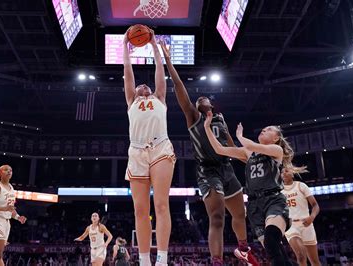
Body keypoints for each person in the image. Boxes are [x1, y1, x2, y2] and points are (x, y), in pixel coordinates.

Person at [159, 41, 258, 266]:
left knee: (240, 215)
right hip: (208, 171)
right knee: (217, 217)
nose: (200, 98)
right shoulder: (194, 117)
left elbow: (233, 147)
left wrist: (249, 161)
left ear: (211, 104)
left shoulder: (221, 119)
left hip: (227, 168)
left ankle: (243, 249)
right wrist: (168, 59)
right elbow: (179, 86)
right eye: (197, 99)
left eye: (204, 98)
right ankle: (216, 261)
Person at [203, 115, 299, 265]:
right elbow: (219, 149)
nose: (264, 130)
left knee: (271, 238)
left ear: (275, 138)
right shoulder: (248, 153)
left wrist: (239, 136)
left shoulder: (276, 150)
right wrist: (207, 127)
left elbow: (254, 146)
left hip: (273, 200)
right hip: (254, 205)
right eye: (264, 128)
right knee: (272, 248)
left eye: (268, 130)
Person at [123, 26, 176, 266]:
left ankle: (162, 259)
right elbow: (128, 72)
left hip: (160, 148)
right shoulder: (131, 100)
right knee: (140, 210)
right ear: (134, 92)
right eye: (139, 86)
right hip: (136, 152)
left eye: (147, 86)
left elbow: (159, 69)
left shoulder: (159, 98)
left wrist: (154, 45)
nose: (143, 86)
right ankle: (145, 260)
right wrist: (125, 46)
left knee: (161, 204)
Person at [281, 167, 321, 266]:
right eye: (281, 172)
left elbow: (315, 205)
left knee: (315, 261)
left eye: (286, 171)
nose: (284, 173)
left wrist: (311, 217)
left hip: (307, 224)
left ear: (292, 174)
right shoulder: (279, 191)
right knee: (301, 255)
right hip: (291, 226)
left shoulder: (301, 186)